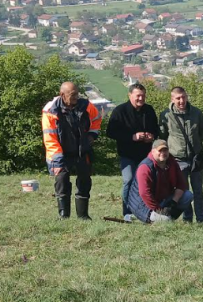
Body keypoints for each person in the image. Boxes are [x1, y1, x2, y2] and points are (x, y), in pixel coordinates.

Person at [42, 82, 101, 219]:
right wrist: (57, 162)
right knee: (61, 180)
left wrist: (92, 135)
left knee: (85, 181)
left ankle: (83, 215)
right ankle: (64, 215)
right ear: (62, 95)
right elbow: (50, 138)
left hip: (82, 150)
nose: (76, 98)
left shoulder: (86, 106)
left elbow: (97, 119)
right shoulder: (50, 110)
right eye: (72, 95)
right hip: (60, 152)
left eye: (77, 94)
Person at [106, 83, 159, 222]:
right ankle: (127, 212)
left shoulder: (149, 110)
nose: (141, 98)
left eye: (143, 96)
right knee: (128, 181)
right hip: (127, 154)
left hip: (146, 155)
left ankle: (146, 211)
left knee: (147, 182)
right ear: (130, 95)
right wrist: (132, 137)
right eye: (138, 96)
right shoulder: (119, 111)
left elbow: (156, 130)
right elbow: (110, 132)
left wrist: (151, 136)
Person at [159, 87, 203, 223]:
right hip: (178, 159)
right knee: (183, 190)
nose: (182, 101)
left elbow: (201, 132)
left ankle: (201, 218)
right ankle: (187, 218)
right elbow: (163, 135)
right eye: (178, 98)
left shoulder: (197, 113)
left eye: (184, 97)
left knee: (198, 190)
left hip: (195, 157)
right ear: (172, 99)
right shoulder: (166, 115)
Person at [127, 140, 194, 223]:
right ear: (153, 151)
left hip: (162, 200)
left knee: (188, 195)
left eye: (165, 150)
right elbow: (145, 194)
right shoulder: (145, 167)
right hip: (144, 205)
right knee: (166, 221)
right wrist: (159, 210)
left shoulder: (172, 163)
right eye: (160, 150)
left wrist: (173, 202)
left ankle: (168, 218)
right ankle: (159, 219)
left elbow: (181, 185)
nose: (163, 153)